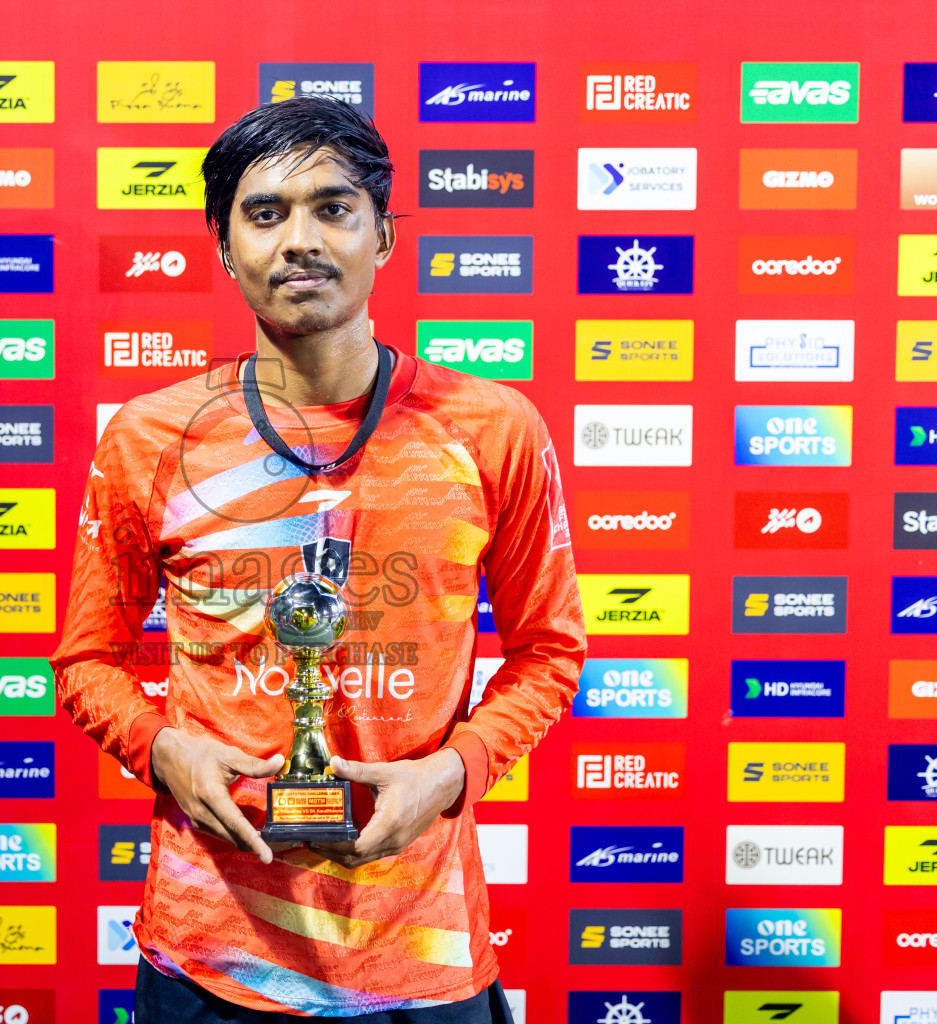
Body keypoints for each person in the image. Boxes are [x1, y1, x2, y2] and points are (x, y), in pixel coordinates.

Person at [51, 96, 585, 1022]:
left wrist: (454, 771)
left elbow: (549, 652)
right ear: (225, 248)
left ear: (384, 236)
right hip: (213, 953)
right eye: (265, 214)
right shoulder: (151, 438)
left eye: (333, 208)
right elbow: (86, 660)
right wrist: (163, 751)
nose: (300, 240)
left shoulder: (492, 428)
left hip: (421, 949)